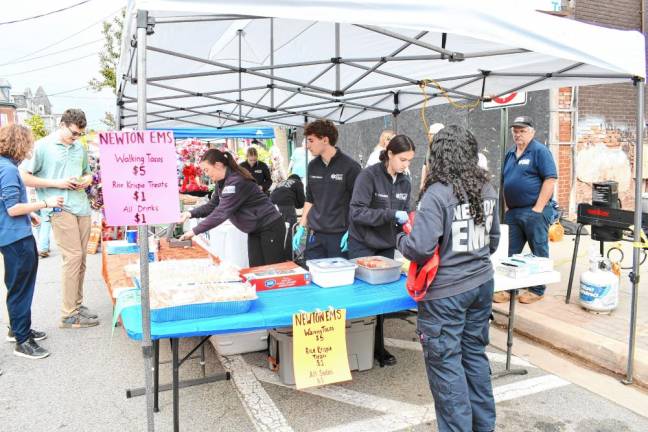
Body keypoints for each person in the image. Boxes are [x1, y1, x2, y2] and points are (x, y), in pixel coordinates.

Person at [397, 125, 500, 432]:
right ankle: (484, 427)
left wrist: (399, 239)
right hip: (482, 284)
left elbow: (418, 248)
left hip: (446, 295)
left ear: (438, 155)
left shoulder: (437, 193)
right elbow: (492, 242)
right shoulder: (487, 188)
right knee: (474, 357)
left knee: (446, 367)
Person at [20, 109, 99, 328]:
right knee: (72, 257)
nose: (76, 137)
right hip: (58, 206)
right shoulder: (42, 146)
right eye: (73, 133)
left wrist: (86, 180)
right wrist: (58, 183)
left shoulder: (80, 147)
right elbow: (25, 177)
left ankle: (76, 303)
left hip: (81, 205)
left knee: (81, 258)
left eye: (79, 134)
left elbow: (88, 172)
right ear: (62, 124)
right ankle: (68, 313)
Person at [348, 134, 415, 367]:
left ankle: (378, 348)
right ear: (390, 155)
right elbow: (356, 212)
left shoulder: (405, 182)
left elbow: (407, 212)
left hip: (386, 245)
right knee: (362, 299)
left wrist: (409, 228)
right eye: (403, 160)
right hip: (362, 244)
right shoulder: (368, 176)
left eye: (409, 161)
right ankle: (355, 345)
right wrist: (389, 214)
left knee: (381, 302)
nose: (406, 165)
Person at [1, 124, 64, 359]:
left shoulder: (5, 166)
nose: (31, 147)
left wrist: (31, 213)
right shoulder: (8, 169)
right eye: (28, 142)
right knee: (21, 289)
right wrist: (44, 204)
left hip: (11, 234)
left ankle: (16, 329)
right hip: (16, 237)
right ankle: (22, 340)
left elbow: (8, 203)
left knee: (17, 286)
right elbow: (13, 208)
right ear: (19, 143)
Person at [179, 149, 286, 267]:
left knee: (273, 270)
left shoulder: (236, 181)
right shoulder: (222, 182)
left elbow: (221, 212)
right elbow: (213, 205)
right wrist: (190, 214)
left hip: (269, 226)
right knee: (257, 270)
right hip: (255, 229)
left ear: (218, 165)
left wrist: (194, 231)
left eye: (207, 170)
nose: (206, 174)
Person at [494, 116, 557, 305]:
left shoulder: (539, 151)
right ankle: (507, 288)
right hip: (513, 212)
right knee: (510, 252)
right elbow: (505, 182)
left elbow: (550, 179)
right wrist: (507, 208)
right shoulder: (510, 153)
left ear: (532, 132)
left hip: (534, 211)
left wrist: (538, 208)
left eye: (522, 130)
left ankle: (537, 290)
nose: (518, 134)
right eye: (515, 131)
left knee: (538, 250)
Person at [293, 120, 361, 259]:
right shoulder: (312, 166)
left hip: (340, 237)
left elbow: (359, 203)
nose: (307, 146)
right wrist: (301, 227)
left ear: (325, 140)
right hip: (315, 236)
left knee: (339, 279)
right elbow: (310, 199)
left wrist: (352, 230)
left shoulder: (351, 167)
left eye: (311, 140)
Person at [271, 174, 306, 258]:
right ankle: (289, 256)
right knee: (290, 231)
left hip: (271, 205)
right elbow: (301, 201)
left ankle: (277, 255)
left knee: (277, 231)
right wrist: (296, 204)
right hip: (286, 205)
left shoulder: (281, 182)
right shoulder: (298, 182)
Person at [420, 123, 444, 190]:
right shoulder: (430, 147)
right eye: (428, 134)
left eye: (431, 134)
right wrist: (422, 183)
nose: (428, 136)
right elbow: (425, 165)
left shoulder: (444, 149)